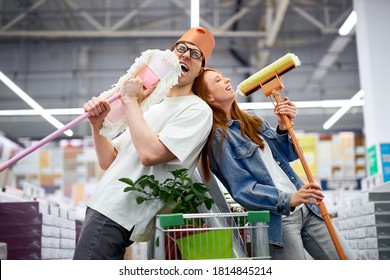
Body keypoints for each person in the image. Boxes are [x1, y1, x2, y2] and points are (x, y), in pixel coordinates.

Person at [73, 27, 215, 260]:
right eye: (181, 49)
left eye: (196, 54)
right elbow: (108, 160)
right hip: (103, 205)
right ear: (168, 56)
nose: (186, 55)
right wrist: (97, 125)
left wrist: (130, 100)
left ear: (200, 71)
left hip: (120, 212)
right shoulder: (152, 106)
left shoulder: (197, 110)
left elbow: (150, 153)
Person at [193, 68, 354, 260]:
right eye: (218, 80)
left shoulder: (252, 119)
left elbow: (286, 155)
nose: (226, 79)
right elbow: (243, 189)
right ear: (209, 98)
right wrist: (288, 199)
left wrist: (284, 127)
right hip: (279, 219)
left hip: (308, 208)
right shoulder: (218, 137)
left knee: (347, 260)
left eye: (223, 76)